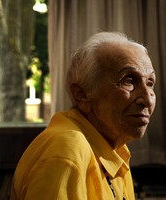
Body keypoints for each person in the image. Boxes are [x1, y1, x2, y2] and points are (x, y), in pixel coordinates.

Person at [10, 32, 156, 200]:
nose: (147, 99)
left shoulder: (115, 148)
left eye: (150, 83)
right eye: (128, 81)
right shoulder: (67, 151)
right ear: (82, 94)